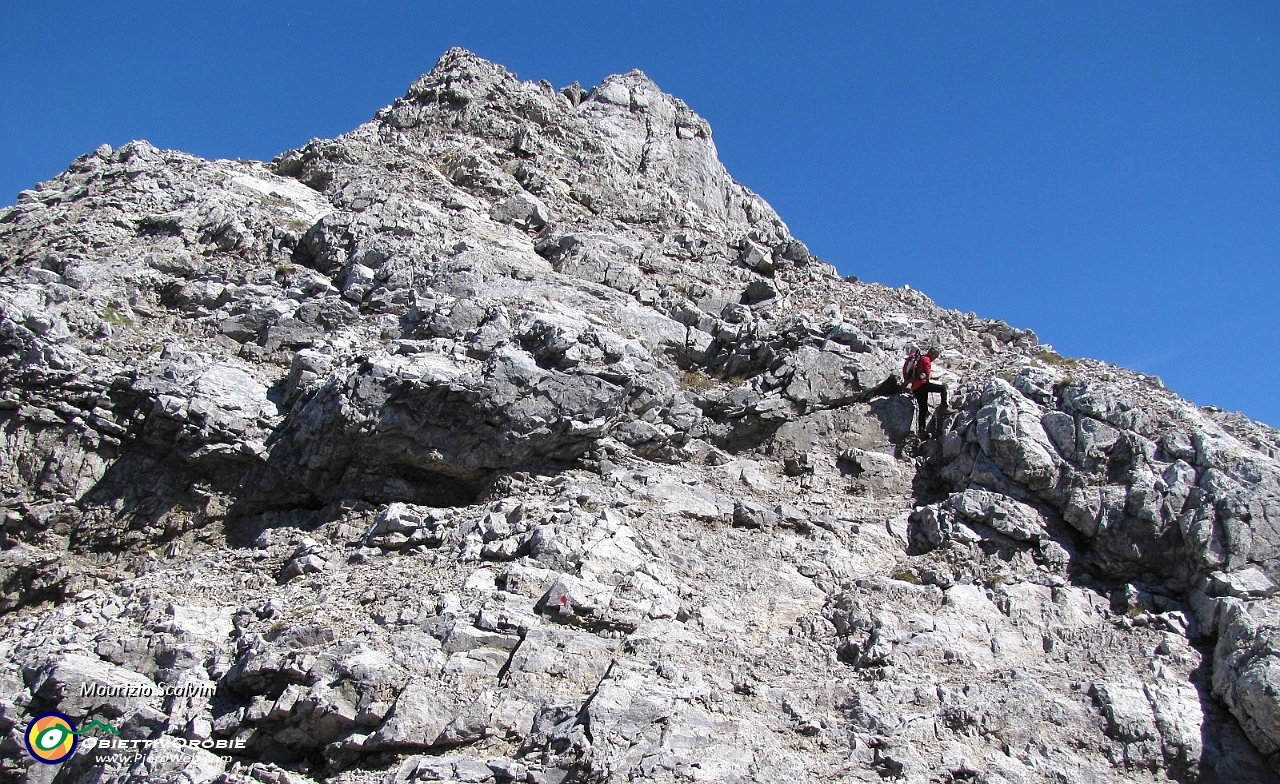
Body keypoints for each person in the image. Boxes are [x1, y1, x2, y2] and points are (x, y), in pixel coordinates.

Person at [909, 347, 948, 436]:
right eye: (936, 356)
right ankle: (945, 407)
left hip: (915, 388)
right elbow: (927, 375)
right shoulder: (926, 360)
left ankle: (921, 430)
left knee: (923, 408)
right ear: (933, 354)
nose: (935, 358)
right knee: (943, 387)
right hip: (922, 385)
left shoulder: (921, 358)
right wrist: (930, 375)